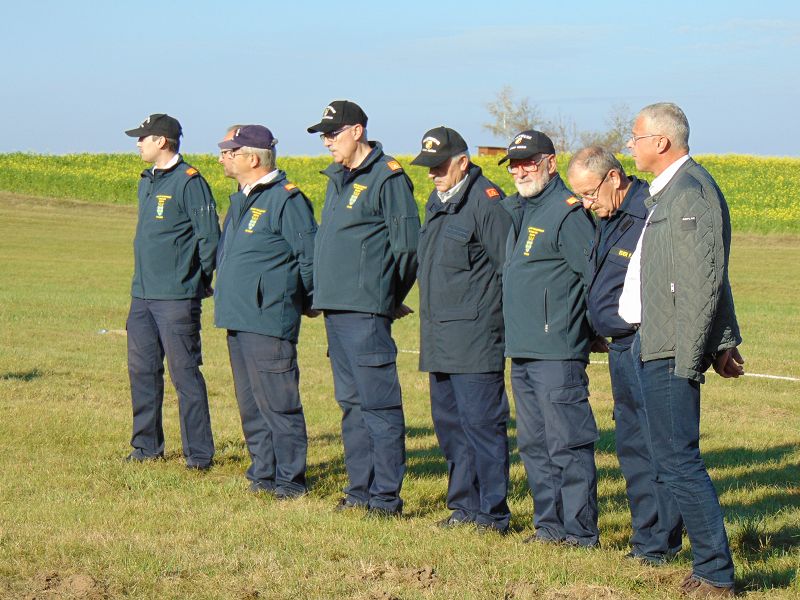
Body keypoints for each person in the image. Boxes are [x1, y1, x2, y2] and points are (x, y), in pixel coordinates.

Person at [620, 102, 743, 597]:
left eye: (636, 136)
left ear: (661, 143)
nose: (630, 144)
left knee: (678, 461)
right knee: (669, 459)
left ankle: (715, 572)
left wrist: (693, 357)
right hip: (658, 341)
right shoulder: (667, 194)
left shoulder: (691, 192)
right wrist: (725, 339)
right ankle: (705, 565)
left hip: (672, 348)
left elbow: (705, 281)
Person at [567, 146, 683, 564]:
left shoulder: (649, 213)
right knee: (632, 447)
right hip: (619, 348)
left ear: (613, 178)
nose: (585, 203)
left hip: (647, 344)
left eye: (589, 193)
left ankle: (660, 545)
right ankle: (645, 539)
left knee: (657, 445)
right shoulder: (607, 215)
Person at [307, 100, 419, 517]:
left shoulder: (386, 177)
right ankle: (360, 490)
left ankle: (386, 497)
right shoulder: (338, 178)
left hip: (366, 311)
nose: (326, 142)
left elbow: (408, 247)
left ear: (357, 131)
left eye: (332, 134)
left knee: (378, 405)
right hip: (336, 309)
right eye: (323, 135)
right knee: (351, 404)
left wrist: (386, 298)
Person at [411, 126, 513, 533]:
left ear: (462, 162)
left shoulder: (486, 203)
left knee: (483, 427)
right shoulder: (436, 203)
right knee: (450, 426)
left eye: (439, 166)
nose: (433, 174)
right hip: (439, 337)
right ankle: (464, 506)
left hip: (474, 338)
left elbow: (508, 268)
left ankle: (492, 513)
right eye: (428, 167)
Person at [500, 130, 599, 547]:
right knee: (534, 445)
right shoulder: (520, 211)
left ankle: (579, 532)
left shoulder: (566, 212)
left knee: (568, 444)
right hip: (522, 350)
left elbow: (593, 279)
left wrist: (588, 332)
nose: (522, 170)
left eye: (529, 161)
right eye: (515, 164)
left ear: (550, 163)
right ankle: (550, 526)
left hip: (556, 350)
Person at [213, 125, 317, 498]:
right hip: (238, 317)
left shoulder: (286, 200)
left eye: (230, 152)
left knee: (278, 403)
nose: (223, 157)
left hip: (268, 318)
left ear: (253, 158)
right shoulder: (242, 198)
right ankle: (263, 473)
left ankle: (290, 482)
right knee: (251, 404)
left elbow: (309, 259)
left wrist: (302, 302)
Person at [123, 113, 220, 469]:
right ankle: (146, 447)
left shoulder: (189, 181)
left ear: (162, 141)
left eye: (143, 138)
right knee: (142, 370)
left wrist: (195, 281)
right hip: (142, 295)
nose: (138, 143)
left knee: (185, 375)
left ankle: (199, 455)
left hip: (176, 298)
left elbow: (210, 238)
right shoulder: (146, 180)